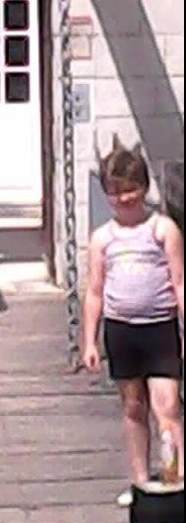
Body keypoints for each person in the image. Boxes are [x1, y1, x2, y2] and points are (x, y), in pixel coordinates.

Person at [83, 136, 184, 502]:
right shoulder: (102, 239)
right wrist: (90, 341)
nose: (125, 199)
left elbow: (180, 282)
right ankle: (141, 479)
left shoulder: (162, 229)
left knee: (168, 405)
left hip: (160, 328)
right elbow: (94, 291)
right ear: (106, 193)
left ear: (144, 189)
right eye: (116, 191)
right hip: (122, 330)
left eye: (132, 190)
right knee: (133, 406)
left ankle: (176, 477)